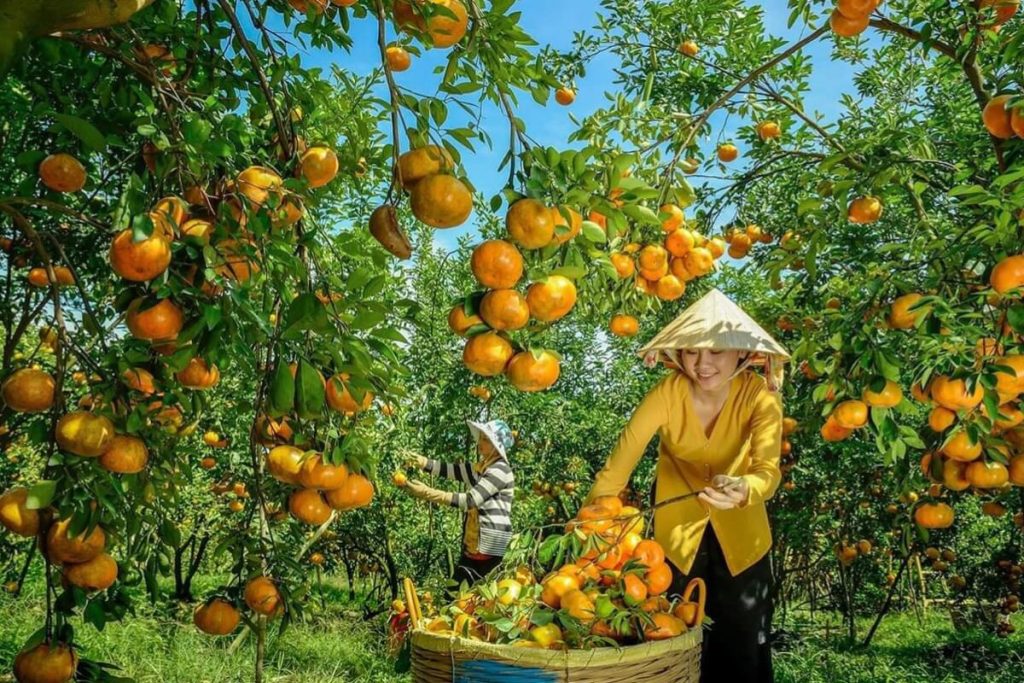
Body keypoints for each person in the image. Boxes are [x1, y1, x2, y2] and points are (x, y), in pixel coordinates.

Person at [585, 288, 788, 683]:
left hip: (743, 541)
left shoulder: (759, 396)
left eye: (716, 351)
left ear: (741, 353)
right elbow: (619, 464)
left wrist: (745, 488)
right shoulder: (668, 393)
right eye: (693, 351)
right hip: (676, 541)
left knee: (744, 646)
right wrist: (590, 529)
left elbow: (768, 470)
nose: (703, 363)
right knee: (675, 643)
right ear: (678, 354)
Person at [403, 419, 516, 590]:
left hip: (491, 547)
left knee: (474, 596)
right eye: (481, 438)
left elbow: (471, 500)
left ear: (496, 446)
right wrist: (421, 462)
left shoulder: (500, 470)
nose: (480, 442)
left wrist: (427, 493)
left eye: (486, 439)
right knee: (458, 594)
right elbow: (450, 470)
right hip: (475, 544)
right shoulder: (481, 467)